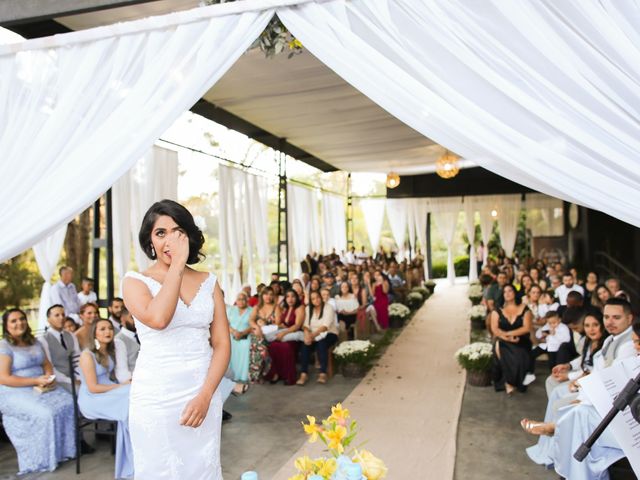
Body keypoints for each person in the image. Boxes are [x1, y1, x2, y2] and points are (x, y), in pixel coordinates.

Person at [122, 199, 230, 479]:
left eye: (177, 231)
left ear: (188, 236)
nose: (169, 240)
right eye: (160, 233)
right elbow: (158, 319)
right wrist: (178, 267)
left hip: (202, 392)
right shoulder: (134, 282)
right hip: (156, 398)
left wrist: (206, 396)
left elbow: (221, 344)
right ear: (150, 240)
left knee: (202, 469)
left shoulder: (209, 282)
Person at [0, 308, 75, 474]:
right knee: (46, 413)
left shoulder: (34, 341)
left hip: (41, 386)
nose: (19, 323)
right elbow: (4, 378)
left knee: (68, 403)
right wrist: (35, 380)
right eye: (13, 321)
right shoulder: (4, 346)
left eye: (22, 319)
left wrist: (48, 378)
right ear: (6, 326)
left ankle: (63, 453)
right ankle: (42, 459)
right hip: (15, 391)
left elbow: (47, 365)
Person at [78, 318, 134, 479]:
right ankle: (132, 456)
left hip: (108, 391)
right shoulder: (87, 355)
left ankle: (136, 448)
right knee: (129, 395)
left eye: (109, 328)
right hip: (92, 398)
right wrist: (121, 386)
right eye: (102, 329)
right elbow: (93, 387)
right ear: (94, 333)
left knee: (133, 393)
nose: (108, 331)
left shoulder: (107, 351)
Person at [490, 284, 533, 395]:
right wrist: (506, 337)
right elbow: (495, 329)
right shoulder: (497, 310)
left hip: (521, 340)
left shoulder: (524, 308)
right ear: (502, 295)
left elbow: (526, 328)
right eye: (505, 292)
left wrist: (509, 334)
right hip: (503, 339)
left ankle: (509, 381)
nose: (507, 293)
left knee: (519, 354)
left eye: (510, 291)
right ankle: (509, 382)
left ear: (514, 292)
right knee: (500, 345)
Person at [296, 291, 339, 385]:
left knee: (321, 343)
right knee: (305, 344)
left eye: (318, 297)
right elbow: (305, 325)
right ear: (310, 301)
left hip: (329, 333)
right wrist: (307, 335)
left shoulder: (328, 307)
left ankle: (323, 373)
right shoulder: (308, 309)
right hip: (313, 335)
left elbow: (325, 326)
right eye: (313, 299)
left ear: (321, 297)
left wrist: (312, 336)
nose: (316, 300)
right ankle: (304, 373)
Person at [39, 304, 81, 393]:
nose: (61, 318)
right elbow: (49, 367)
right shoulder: (44, 340)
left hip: (76, 376)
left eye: (63, 314)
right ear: (48, 319)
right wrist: (70, 381)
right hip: (59, 379)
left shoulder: (71, 335)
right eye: (57, 315)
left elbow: (77, 359)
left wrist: (79, 377)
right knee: (81, 392)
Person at [266, 289, 305, 385]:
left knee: (285, 347)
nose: (290, 299)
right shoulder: (285, 308)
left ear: (296, 297)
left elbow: (297, 325)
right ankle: (276, 374)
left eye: (293, 296)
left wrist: (283, 333)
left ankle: (289, 376)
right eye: (287, 296)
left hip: (294, 335)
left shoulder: (300, 308)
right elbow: (282, 323)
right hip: (284, 333)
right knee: (272, 345)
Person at [247, 287, 279, 383]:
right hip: (258, 332)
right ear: (262, 295)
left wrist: (264, 323)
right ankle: (259, 373)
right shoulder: (257, 307)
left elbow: (278, 323)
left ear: (273, 296)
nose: (268, 296)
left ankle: (257, 375)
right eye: (266, 294)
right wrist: (257, 327)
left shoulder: (276, 307)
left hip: (270, 333)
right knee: (257, 341)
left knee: (259, 343)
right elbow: (251, 320)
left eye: (270, 294)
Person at [227, 292, 252, 383]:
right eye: (239, 299)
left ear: (247, 300)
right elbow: (226, 324)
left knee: (246, 345)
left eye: (243, 299)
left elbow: (252, 325)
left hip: (245, 335)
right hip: (232, 335)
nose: (241, 301)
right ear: (236, 301)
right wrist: (234, 332)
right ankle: (231, 374)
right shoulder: (231, 310)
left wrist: (242, 333)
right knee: (229, 345)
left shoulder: (252, 310)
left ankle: (243, 375)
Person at [114, 308, 140, 384]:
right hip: (134, 382)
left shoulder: (142, 335)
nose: (136, 321)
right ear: (122, 319)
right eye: (132, 317)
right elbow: (122, 373)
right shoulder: (119, 340)